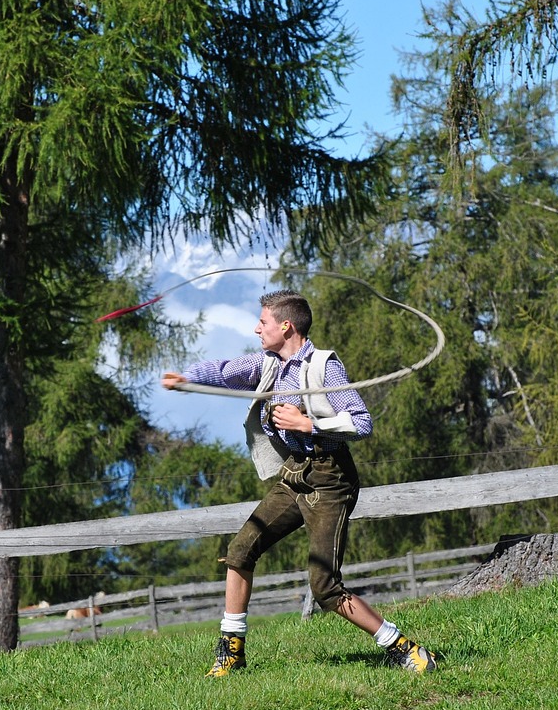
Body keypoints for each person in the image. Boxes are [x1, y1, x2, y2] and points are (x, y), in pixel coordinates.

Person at [162, 289, 434, 676]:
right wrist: (186, 377)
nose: (257, 329)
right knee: (240, 551)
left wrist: (310, 424)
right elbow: (224, 371)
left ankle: (404, 648)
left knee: (324, 587)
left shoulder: (325, 367)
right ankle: (231, 654)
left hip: (330, 479)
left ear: (285, 325)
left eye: (264, 322)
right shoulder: (268, 363)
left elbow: (361, 422)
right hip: (294, 473)